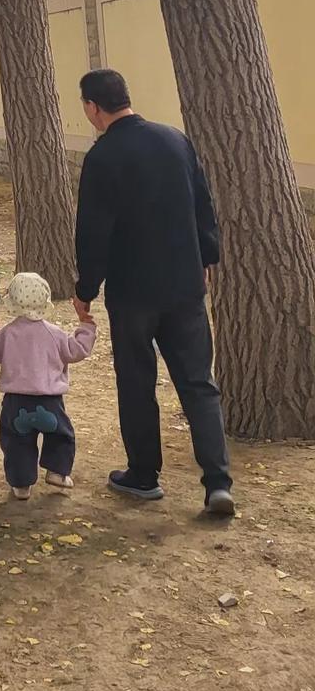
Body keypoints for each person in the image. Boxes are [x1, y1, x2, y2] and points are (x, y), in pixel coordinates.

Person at [74, 68, 234, 516]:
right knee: (199, 383)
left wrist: (86, 287)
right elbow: (201, 202)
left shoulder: (102, 157)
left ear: (93, 107)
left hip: (131, 292)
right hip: (184, 284)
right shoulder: (174, 140)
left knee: (137, 382)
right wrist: (207, 257)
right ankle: (218, 482)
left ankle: (144, 475)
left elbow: (93, 232)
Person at [0, 272, 96, 500]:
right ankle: (58, 472)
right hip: (50, 402)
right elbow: (76, 350)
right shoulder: (54, 334)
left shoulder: (8, 334)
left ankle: (21, 484)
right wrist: (86, 326)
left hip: (16, 403)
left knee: (16, 443)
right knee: (62, 436)